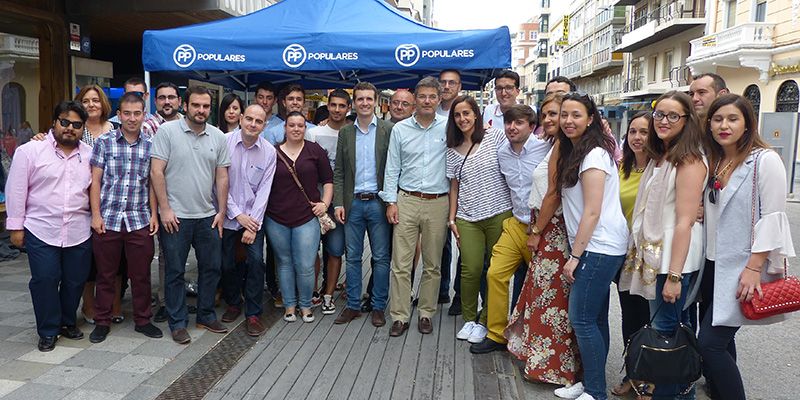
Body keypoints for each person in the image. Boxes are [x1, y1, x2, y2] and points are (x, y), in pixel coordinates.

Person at [700, 94, 795, 400]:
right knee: (723, 342)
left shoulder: (764, 160)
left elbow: (773, 218)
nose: (724, 125)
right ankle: (719, 392)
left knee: (710, 343)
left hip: (742, 267)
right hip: (712, 264)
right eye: (717, 119)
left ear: (747, 124)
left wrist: (754, 268)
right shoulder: (714, 161)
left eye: (732, 119)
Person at [622, 91, 708, 400]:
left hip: (673, 262)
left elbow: (685, 221)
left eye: (674, 116)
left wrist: (673, 276)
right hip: (656, 258)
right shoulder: (662, 156)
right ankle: (676, 394)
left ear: (687, 121)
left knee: (667, 335)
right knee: (671, 330)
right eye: (660, 114)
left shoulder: (689, 160)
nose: (664, 121)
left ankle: (672, 395)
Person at [553, 92, 629, 400]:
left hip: (600, 246)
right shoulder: (576, 151)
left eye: (576, 115)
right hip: (596, 245)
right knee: (594, 317)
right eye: (564, 115)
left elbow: (593, 210)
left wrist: (575, 255)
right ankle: (589, 382)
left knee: (582, 318)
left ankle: (596, 391)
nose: (568, 121)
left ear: (591, 119)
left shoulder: (594, 154)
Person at [505, 93, 581, 385]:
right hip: (549, 228)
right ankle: (547, 363)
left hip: (552, 231)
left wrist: (537, 232)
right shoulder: (555, 144)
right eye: (549, 115)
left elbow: (553, 193)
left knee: (551, 301)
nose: (553, 120)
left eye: (558, 114)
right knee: (545, 299)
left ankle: (553, 368)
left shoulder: (562, 145)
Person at [5, 101, 93, 352]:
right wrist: (16, 227)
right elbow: (16, 190)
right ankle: (48, 329)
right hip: (41, 228)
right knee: (45, 279)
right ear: (54, 122)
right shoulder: (30, 151)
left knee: (75, 280)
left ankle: (67, 322)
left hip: (78, 229)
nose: (69, 128)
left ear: (82, 128)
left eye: (76, 125)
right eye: (64, 122)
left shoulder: (89, 154)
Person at [151, 85, 231, 344]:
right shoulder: (166, 132)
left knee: (212, 268)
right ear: (185, 105)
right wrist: (165, 209)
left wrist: (221, 211)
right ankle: (178, 322)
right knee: (175, 271)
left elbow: (222, 176)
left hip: (208, 215)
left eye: (206, 106)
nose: (201, 110)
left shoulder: (218, 136)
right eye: (196, 105)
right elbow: (156, 172)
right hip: (176, 216)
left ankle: (206, 314)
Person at [470, 104, 551, 354]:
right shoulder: (501, 151)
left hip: (543, 227)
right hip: (515, 224)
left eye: (518, 123)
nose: (511, 127)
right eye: (508, 122)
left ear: (531, 126)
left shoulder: (546, 148)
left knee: (542, 285)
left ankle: (535, 340)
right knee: (495, 275)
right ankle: (496, 334)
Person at [88, 93, 162, 343]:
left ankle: (143, 320)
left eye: (137, 113)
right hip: (108, 218)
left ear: (144, 115)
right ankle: (102, 321)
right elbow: (95, 181)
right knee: (106, 274)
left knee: (141, 274)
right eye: (127, 113)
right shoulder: (105, 142)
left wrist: (154, 214)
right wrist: (96, 215)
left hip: (139, 218)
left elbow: (152, 182)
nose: (132, 118)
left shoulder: (152, 144)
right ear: (119, 115)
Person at [381, 77, 449, 337]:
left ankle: (426, 312)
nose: (428, 101)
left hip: (437, 202)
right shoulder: (400, 130)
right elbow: (392, 167)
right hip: (406, 200)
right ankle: (399, 315)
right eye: (423, 96)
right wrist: (391, 201)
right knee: (401, 262)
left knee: (433, 263)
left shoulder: (447, 127)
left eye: (433, 96)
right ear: (415, 99)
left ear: (439, 99)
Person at [446, 95, 512, 343]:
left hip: (498, 213)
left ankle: (488, 320)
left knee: (494, 271)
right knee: (471, 269)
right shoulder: (451, 150)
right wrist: (452, 220)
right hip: (467, 217)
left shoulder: (494, 137)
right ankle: (470, 319)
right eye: (457, 115)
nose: (462, 118)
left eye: (466, 113)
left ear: (476, 114)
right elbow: (454, 186)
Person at [332, 82, 394, 327]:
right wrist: (338, 202)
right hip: (353, 203)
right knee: (353, 257)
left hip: (379, 202)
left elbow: (393, 168)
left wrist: (391, 201)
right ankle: (353, 305)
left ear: (376, 101)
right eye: (360, 99)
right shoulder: (346, 133)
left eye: (369, 99)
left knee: (381, 257)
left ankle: (378, 305)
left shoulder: (388, 130)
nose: (365, 103)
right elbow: (338, 172)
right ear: (354, 103)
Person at [266, 111, 333, 323]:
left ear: (306, 128)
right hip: (277, 217)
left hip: (307, 216)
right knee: (284, 263)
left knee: (305, 265)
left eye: (300, 125)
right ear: (285, 128)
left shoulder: (315, 151)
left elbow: (328, 180)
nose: (296, 129)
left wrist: (325, 204)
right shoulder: (272, 152)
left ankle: (305, 305)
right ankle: (289, 305)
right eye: (292, 125)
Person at [220, 104, 276, 337]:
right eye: (249, 119)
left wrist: (252, 223)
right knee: (226, 263)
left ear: (264, 126)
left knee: (255, 263)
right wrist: (237, 215)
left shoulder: (269, 152)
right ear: (241, 119)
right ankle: (233, 302)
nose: (253, 124)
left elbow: (265, 190)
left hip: (254, 220)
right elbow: (219, 183)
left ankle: (253, 313)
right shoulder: (223, 142)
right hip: (227, 214)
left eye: (259, 121)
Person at [74, 84, 124, 325]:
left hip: (115, 204)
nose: (91, 105)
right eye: (86, 101)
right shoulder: (75, 130)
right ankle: (90, 306)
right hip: (83, 203)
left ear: (103, 103)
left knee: (116, 261)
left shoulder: (116, 129)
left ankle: (114, 306)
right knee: (89, 261)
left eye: (95, 100)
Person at [610, 111, 652, 398]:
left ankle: (653, 378)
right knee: (630, 318)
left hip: (652, 256)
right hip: (623, 254)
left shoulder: (663, 167)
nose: (637, 137)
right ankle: (633, 374)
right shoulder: (621, 167)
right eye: (633, 132)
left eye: (644, 132)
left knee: (653, 320)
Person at [308, 89, 351, 315]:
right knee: (312, 249)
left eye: (341, 106)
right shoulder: (314, 133)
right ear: (328, 106)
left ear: (348, 108)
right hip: (315, 203)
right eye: (333, 105)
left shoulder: (353, 133)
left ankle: (328, 294)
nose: (336, 109)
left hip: (339, 204)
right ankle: (314, 291)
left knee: (335, 250)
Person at [151, 81, 183, 323]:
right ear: (155, 102)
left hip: (191, 202)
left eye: (171, 97)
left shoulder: (189, 123)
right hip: (160, 202)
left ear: (179, 102)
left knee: (183, 255)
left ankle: (178, 298)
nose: (167, 102)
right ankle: (165, 301)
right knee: (165, 253)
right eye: (162, 98)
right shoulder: (145, 126)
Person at [254, 80, 283, 307]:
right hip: (246, 196)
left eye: (268, 98)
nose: (264, 101)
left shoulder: (282, 126)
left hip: (273, 194)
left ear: (274, 101)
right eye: (261, 97)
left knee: (274, 246)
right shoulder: (247, 119)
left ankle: (273, 287)